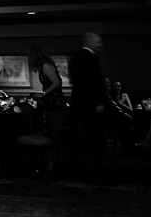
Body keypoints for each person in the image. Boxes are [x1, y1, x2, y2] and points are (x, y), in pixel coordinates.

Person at [69, 33, 107, 169]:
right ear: (90, 42)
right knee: (95, 137)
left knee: (84, 136)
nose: (100, 45)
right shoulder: (91, 58)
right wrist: (98, 103)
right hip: (91, 105)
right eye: (98, 42)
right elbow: (93, 83)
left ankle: (79, 165)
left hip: (79, 103)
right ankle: (94, 167)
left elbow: (76, 82)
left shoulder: (75, 58)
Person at [28, 45, 63, 111]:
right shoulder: (45, 65)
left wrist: (44, 93)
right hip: (53, 97)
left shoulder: (45, 66)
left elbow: (56, 82)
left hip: (53, 99)